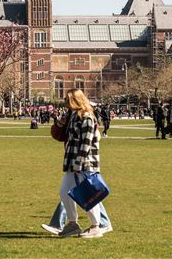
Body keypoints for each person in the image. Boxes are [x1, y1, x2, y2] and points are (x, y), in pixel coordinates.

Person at [51, 89, 108, 239]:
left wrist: (78, 164)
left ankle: (96, 226)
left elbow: (86, 144)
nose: (66, 103)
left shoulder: (87, 118)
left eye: (68, 100)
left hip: (85, 164)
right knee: (64, 192)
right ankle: (72, 223)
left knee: (88, 194)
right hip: (73, 163)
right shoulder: (74, 117)